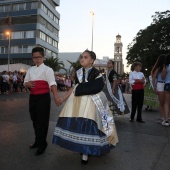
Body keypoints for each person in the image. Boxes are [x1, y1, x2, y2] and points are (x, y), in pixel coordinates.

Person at [53, 50, 118, 164]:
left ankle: (86, 152)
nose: (82, 59)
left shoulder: (96, 73)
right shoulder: (78, 72)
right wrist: (62, 99)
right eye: (81, 57)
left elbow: (97, 86)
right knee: (78, 123)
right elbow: (74, 88)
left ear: (92, 60)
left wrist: (83, 89)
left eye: (85, 57)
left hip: (92, 102)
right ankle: (83, 149)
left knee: (90, 123)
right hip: (78, 101)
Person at [24, 47, 62, 156]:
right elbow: (25, 82)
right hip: (33, 97)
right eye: (34, 57)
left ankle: (42, 144)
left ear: (43, 57)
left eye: (39, 57)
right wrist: (27, 84)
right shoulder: (30, 70)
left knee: (42, 121)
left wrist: (55, 97)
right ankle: (37, 141)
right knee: (34, 120)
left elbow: (52, 84)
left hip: (43, 98)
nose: (37, 59)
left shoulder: (48, 70)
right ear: (32, 58)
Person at [151, 54, 167, 125]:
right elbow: (153, 78)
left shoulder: (164, 67)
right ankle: (163, 117)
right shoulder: (159, 68)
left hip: (163, 84)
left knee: (164, 103)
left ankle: (164, 117)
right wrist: (154, 87)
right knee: (162, 103)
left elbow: (153, 79)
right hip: (161, 84)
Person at [161, 53, 170, 126]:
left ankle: (166, 120)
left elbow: (163, 77)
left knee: (166, 103)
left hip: (167, 84)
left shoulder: (166, 66)